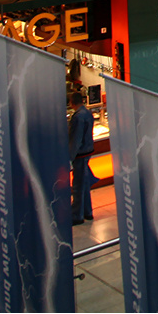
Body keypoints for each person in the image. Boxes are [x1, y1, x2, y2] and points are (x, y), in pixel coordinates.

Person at [69, 91, 95, 223]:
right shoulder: (88, 114)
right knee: (84, 183)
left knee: (78, 185)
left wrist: (70, 157)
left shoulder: (78, 117)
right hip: (88, 151)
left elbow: (76, 139)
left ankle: (77, 215)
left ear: (72, 102)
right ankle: (87, 211)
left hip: (80, 154)